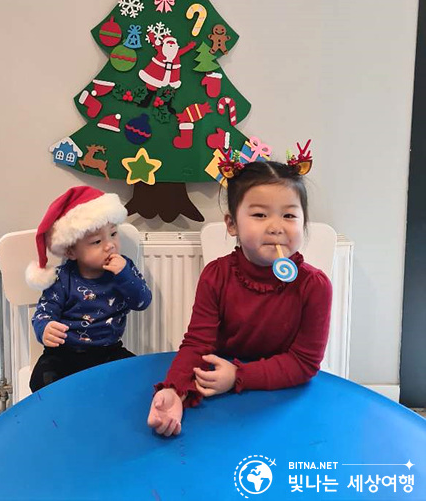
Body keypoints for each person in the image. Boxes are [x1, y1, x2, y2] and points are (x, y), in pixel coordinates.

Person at [147, 159, 332, 436]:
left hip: (283, 398)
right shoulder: (216, 276)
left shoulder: (315, 286)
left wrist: (239, 376)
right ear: (232, 224)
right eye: (260, 215)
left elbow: (304, 362)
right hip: (220, 396)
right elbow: (198, 343)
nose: (276, 227)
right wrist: (174, 389)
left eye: (289, 215)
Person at [25, 185, 152, 392]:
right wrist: (45, 328)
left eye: (113, 234)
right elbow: (44, 312)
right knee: (41, 379)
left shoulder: (124, 269)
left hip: (109, 352)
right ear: (71, 252)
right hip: (64, 354)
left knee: (140, 376)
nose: (110, 245)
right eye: (97, 241)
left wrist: (125, 275)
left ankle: (112, 409)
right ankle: (63, 410)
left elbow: (142, 302)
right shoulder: (62, 277)